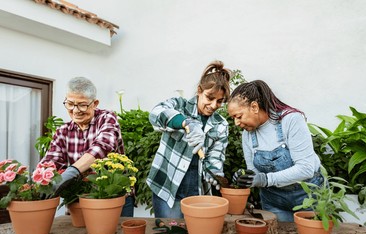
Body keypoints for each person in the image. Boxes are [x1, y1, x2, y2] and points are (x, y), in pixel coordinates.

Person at [227, 80, 323, 222]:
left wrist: (266, 179)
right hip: (273, 201)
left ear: (254, 107)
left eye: (239, 116)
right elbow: (255, 173)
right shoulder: (247, 134)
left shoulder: (291, 120)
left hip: (307, 197)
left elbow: (306, 169)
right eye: (233, 118)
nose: (236, 123)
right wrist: (246, 177)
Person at [147, 61, 231, 218]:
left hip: (197, 191)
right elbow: (155, 114)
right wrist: (186, 122)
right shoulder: (179, 106)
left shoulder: (221, 125)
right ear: (199, 90)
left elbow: (215, 157)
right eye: (210, 97)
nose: (213, 105)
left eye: (219, 101)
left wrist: (214, 173)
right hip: (167, 186)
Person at [40, 76, 134, 216]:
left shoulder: (107, 118)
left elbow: (102, 147)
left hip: (115, 198)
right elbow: (51, 161)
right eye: (70, 104)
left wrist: (71, 172)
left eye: (82, 104)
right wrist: (40, 180)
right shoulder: (62, 132)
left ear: (95, 103)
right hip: (78, 201)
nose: (75, 110)